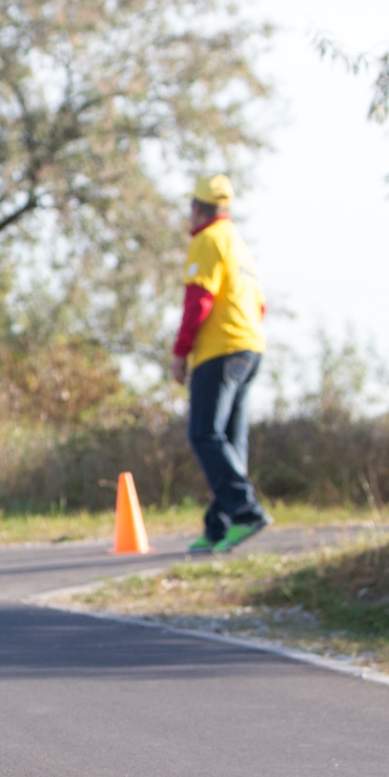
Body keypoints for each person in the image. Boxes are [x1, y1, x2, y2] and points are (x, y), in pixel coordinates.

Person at [170, 174, 271, 554]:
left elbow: (199, 300)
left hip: (220, 349)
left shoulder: (208, 240)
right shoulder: (240, 245)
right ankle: (219, 528)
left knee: (204, 434)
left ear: (198, 208)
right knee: (229, 439)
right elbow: (260, 305)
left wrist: (181, 353)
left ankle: (244, 511)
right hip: (250, 346)